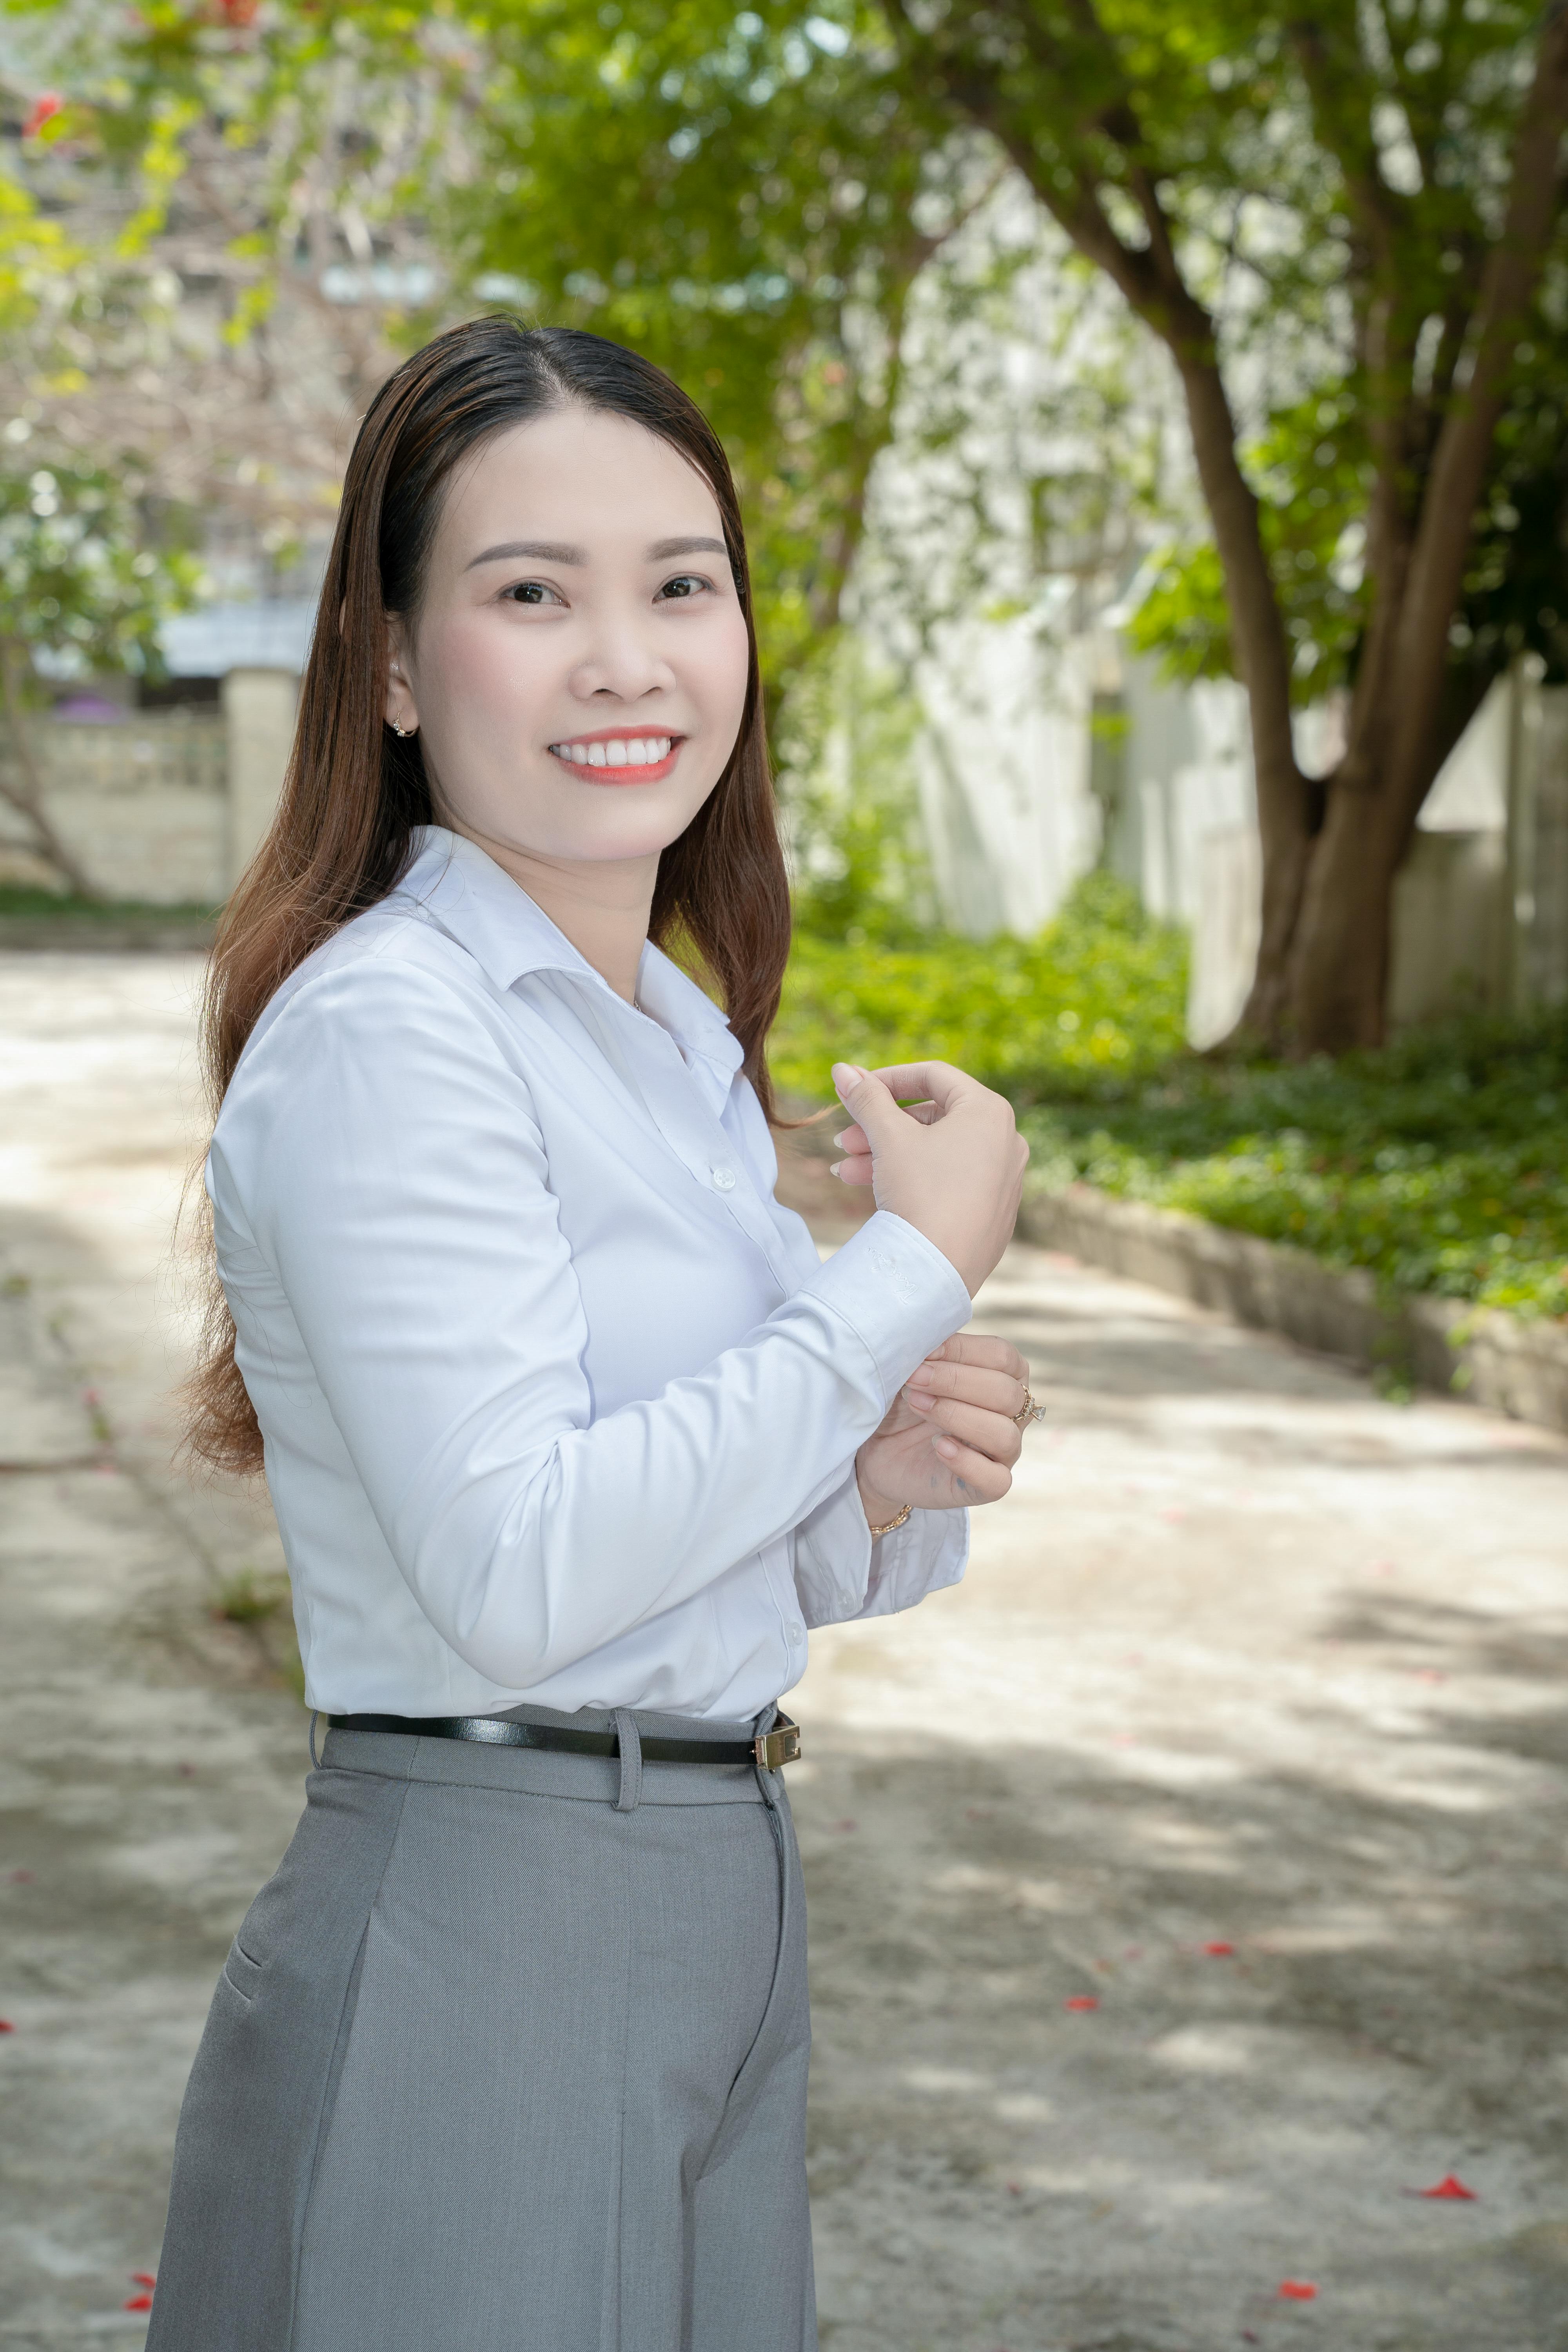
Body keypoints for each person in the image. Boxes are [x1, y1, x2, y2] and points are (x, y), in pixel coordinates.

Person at [146, 315, 1033, 2352]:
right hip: (500, 1906)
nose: (625, 658)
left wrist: (860, 1478)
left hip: (713, 1879)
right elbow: (522, 1572)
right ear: (386, 662)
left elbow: (670, 1549)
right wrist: (913, 1270)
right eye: (532, 592)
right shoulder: (392, 1033)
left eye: (681, 585)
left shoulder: (672, 1055)